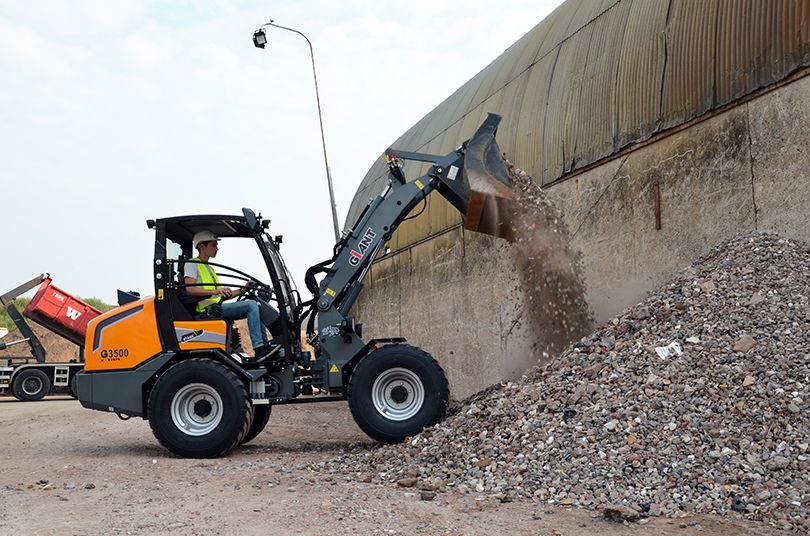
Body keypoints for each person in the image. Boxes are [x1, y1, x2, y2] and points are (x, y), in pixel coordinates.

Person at [184, 230, 273, 359]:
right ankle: (259, 348)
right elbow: (190, 290)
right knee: (251, 305)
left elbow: (222, 295)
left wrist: (243, 290)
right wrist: (216, 291)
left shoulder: (210, 268)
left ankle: (265, 346)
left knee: (258, 304)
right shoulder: (192, 264)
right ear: (202, 246)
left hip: (218, 306)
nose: (217, 249)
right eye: (213, 245)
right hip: (208, 310)